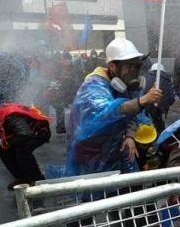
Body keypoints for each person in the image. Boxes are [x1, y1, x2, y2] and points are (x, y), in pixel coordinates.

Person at [65, 37, 163, 178]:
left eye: (136, 67)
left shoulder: (124, 84)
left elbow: (131, 114)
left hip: (116, 149)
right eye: (129, 67)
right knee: (97, 190)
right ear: (112, 66)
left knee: (132, 185)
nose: (133, 71)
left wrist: (130, 135)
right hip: (91, 156)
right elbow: (108, 112)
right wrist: (143, 100)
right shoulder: (93, 87)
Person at [0, 105, 52, 189]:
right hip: (23, 131)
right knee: (3, 151)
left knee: (22, 152)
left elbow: (24, 134)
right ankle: (22, 178)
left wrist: (8, 141)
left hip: (39, 131)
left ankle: (38, 180)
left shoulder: (11, 118)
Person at [142, 61, 176, 134]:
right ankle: (160, 137)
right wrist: (165, 105)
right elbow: (171, 97)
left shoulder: (145, 77)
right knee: (158, 124)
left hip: (146, 103)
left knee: (144, 122)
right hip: (159, 106)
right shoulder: (166, 80)